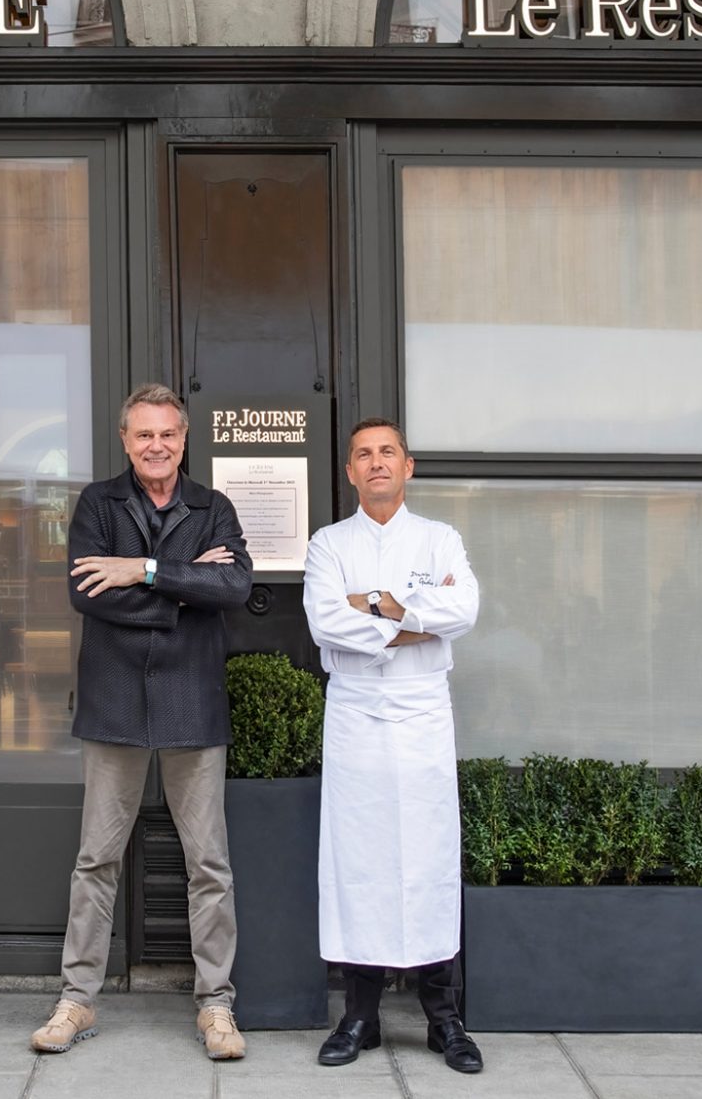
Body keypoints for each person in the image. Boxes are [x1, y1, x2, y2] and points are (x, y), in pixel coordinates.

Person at [30, 383, 254, 1062]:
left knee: (208, 862)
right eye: (144, 434)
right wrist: (184, 589)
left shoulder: (213, 507)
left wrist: (143, 569)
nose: (157, 445)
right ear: (126, 440)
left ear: (184, 440)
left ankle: (216, 1003)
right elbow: (87, 594)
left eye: (168, 434)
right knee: (96, 858)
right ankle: (77, 997)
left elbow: (235, 586)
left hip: (192, 700)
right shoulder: (98, 504)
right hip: (115, 700)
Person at [302, 417, 484, 1074]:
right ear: (350, 471)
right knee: (359, 858)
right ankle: (360, 1015)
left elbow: (464, 610)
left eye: (387, 452)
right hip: (355, 713)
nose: (375, 462)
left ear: (408, 466)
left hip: (423, 712)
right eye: (363, 454)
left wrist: (375, 603)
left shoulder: (440, 538)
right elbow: (326, 621)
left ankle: (442, 1016)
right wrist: (416, 615)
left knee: (429, 855)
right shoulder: (328, 544)